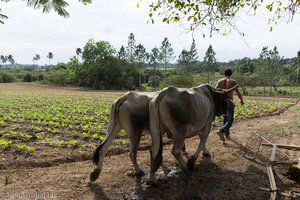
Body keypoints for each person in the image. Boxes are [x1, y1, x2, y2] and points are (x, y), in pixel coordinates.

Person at [216, 68, 244, 141]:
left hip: (221, 102)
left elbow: (215, 91)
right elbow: (238, 93)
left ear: (224, 74)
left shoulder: (220, 81)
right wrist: (241, 100)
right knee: (230, 119)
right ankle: (221, 131)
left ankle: (227, 135)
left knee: (225, 118)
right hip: (229, 102)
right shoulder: (233, 82)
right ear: (231, 74)